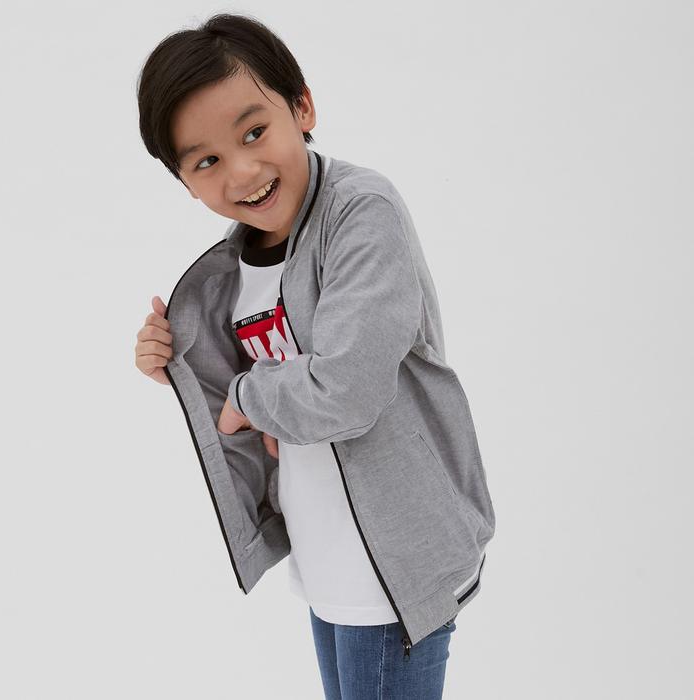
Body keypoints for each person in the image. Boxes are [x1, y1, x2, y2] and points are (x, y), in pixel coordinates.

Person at [133, 13, 495, 699]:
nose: (243, 171)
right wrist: (175, 365)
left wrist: (244, 397)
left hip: (391, 570)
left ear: (302, 107)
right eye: (207, 161)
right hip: (327, 560)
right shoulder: (236, 266)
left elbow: (344, 391)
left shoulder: (361, 212)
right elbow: (249, 392)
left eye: (254, 132)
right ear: (184, 182)